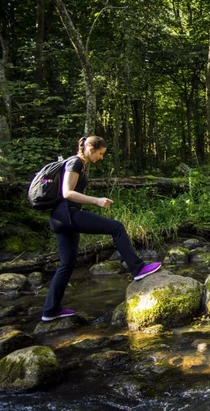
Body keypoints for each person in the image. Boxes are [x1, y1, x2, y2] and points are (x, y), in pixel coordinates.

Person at [42, 136, 162, 322]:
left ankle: (50, 310)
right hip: (68, 215)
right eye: (100, 153)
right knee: (117, 227)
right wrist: (96, 201)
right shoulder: (75, 162)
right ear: (90, 148)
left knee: (67, 264)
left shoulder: (74, 163)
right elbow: (67, 193)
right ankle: (138, 269)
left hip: (59, 218)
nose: (101, 157)